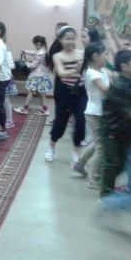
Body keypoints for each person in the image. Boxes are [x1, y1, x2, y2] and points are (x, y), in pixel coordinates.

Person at [45, 26, 87, 163]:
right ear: (60, 40)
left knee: (80, 121)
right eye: (67, 39)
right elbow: (61, 73)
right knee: (61, 121)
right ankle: (51, 147)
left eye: (72, 39)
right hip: (64, 92)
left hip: (80, 92)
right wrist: (76, 70)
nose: (70, 41)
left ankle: (76, 152)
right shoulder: (57, 56)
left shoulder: (81, 53)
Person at [71, 43, 110, 189]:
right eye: (105, 54)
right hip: (95, 113)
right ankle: (94, 179)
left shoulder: (101, 71)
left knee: (99, 142)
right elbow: (107, 91)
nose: (107, 58)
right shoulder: (92, 74)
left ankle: (79, 163)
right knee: (102, 147)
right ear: (95, 56)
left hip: (101, 112)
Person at [98, 49, 131, 200]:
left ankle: (105, 182)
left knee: (122, 162)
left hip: (126, 130)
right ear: (124, 66)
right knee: (110, 163)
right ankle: (105, 195)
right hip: (111, 130)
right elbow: (127, 112)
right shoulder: (118, 86)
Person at [14, 36, 52, 117]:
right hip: (42, 75)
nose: (34, 46)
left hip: (36, 76)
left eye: (34, 44)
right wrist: (26, 51)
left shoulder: (40, 53)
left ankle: (25, 109)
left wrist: (25, 63)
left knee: (31, 92)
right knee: (41, 93)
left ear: (38, 43)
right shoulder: (43, 51)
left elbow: (33, 65)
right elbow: (35, 53)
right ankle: (45, 109)